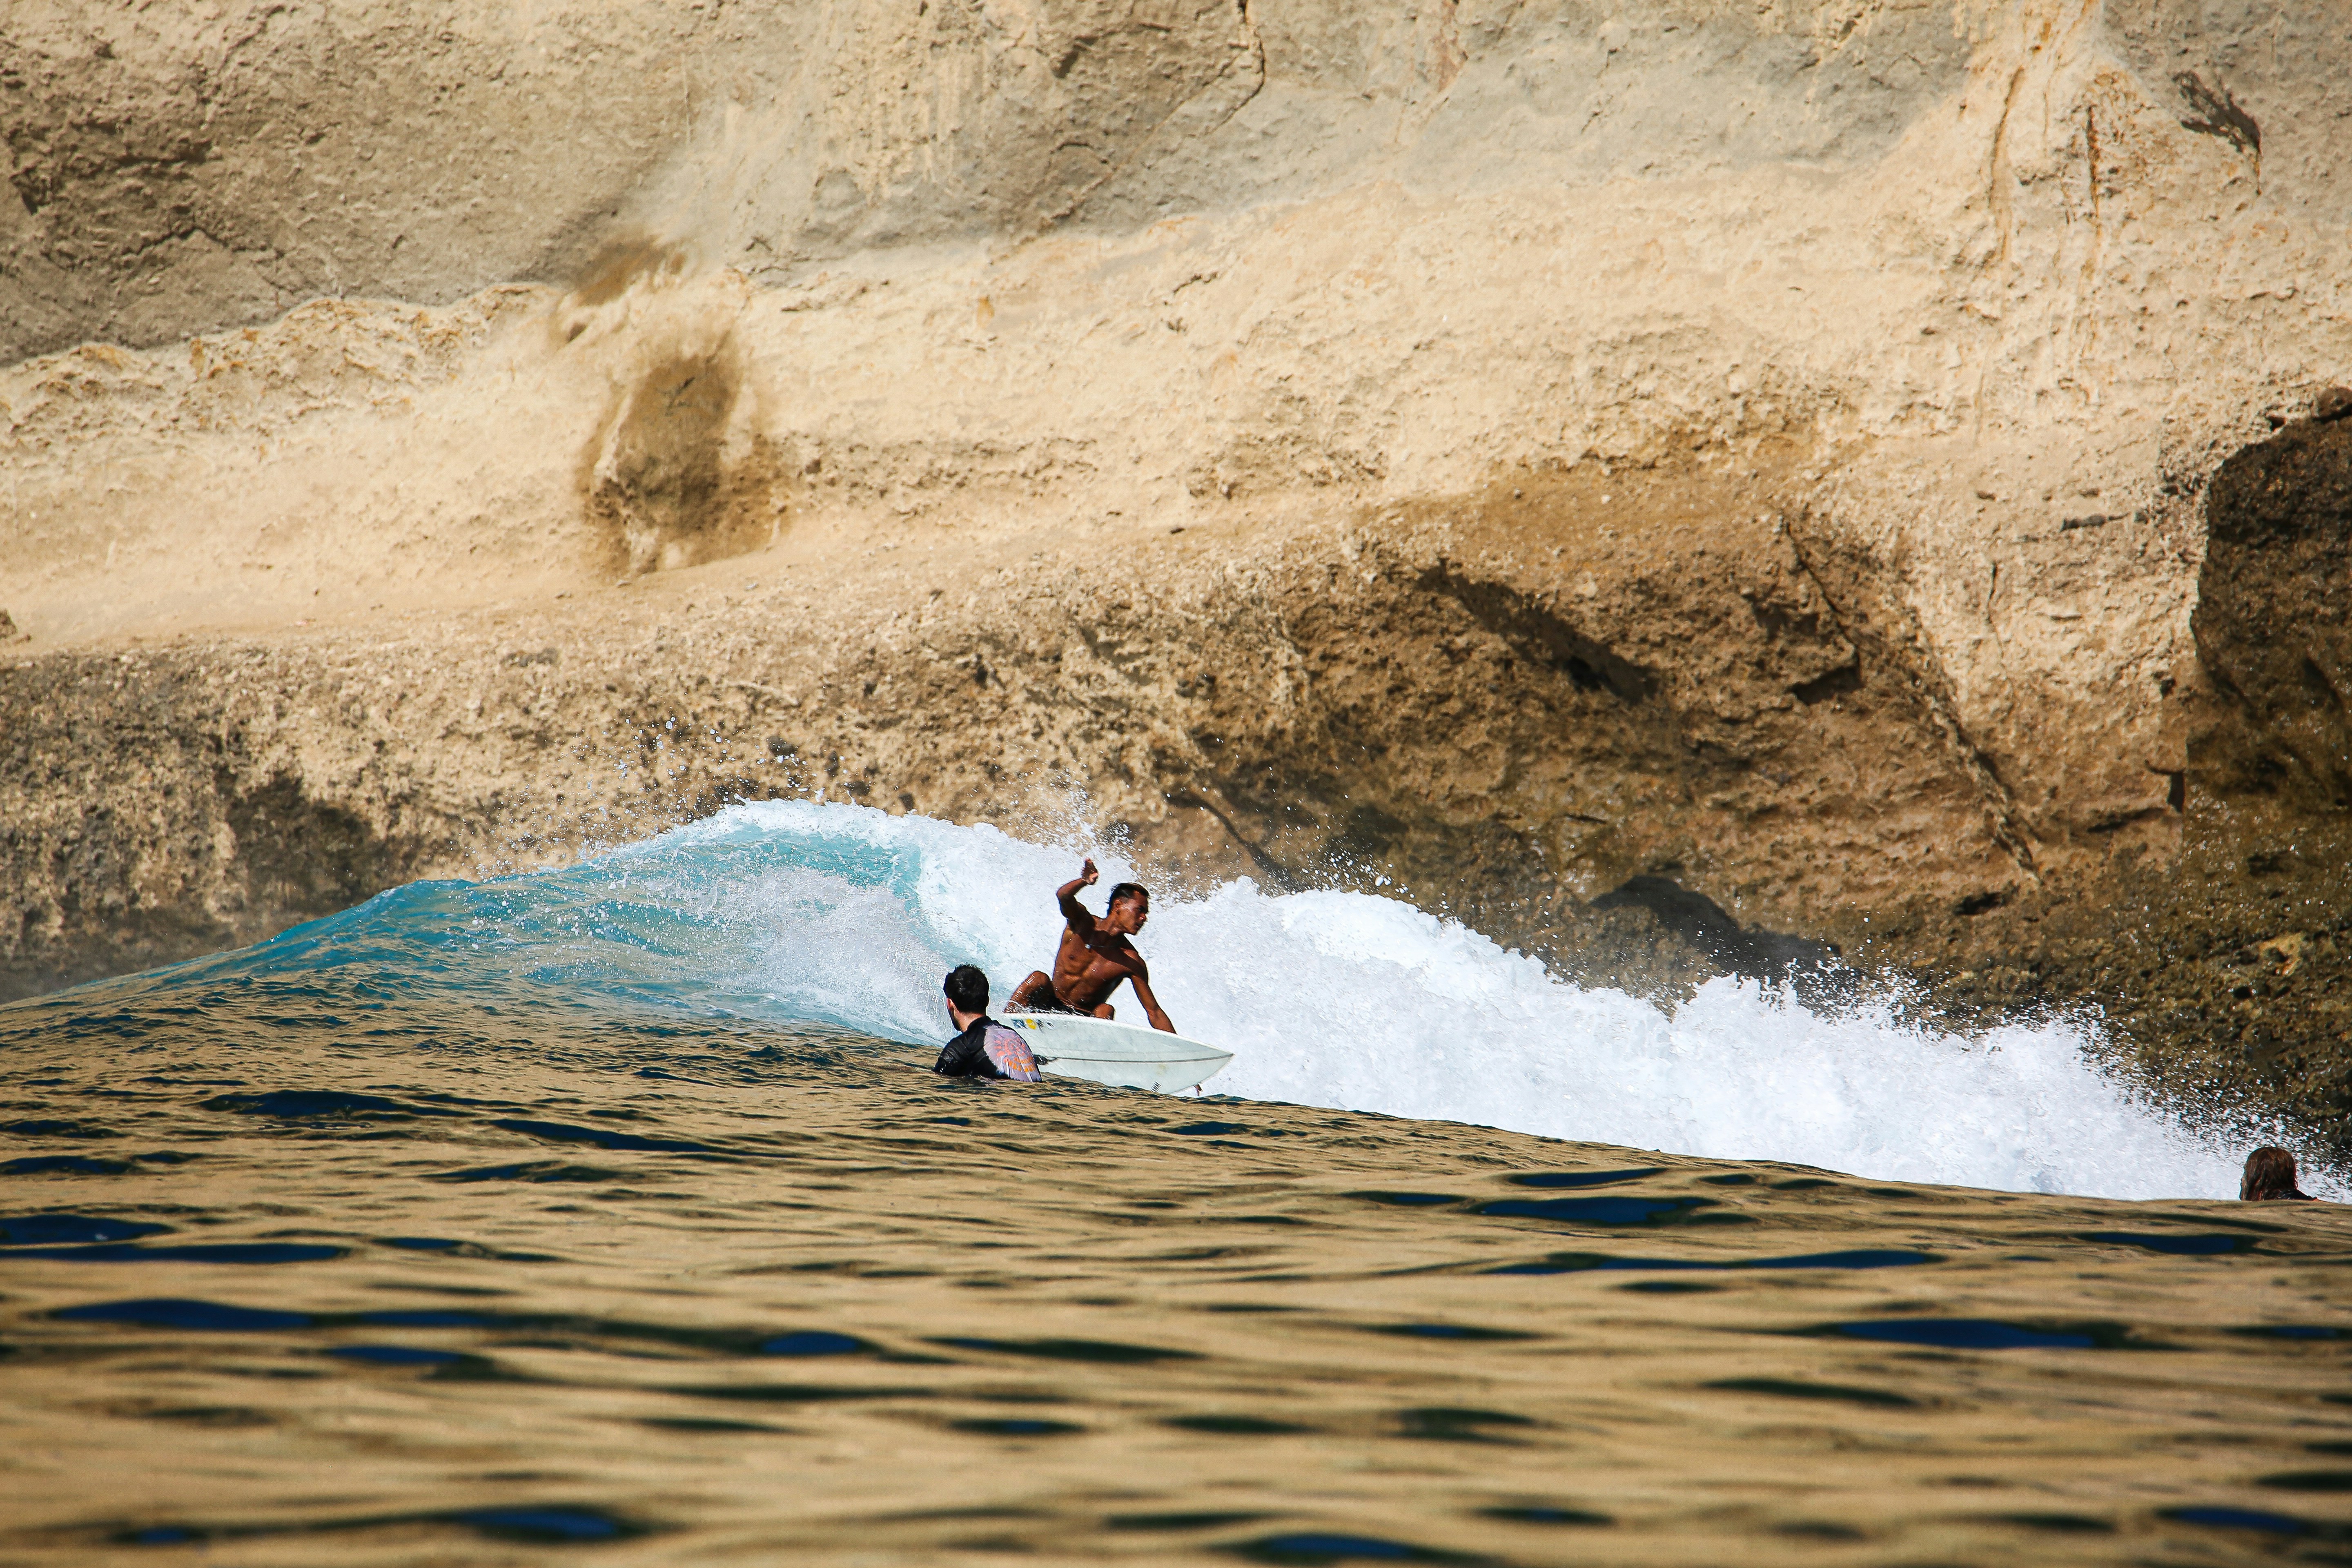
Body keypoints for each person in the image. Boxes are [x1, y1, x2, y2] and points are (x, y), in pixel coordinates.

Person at [1007, 858, 1176, 1033]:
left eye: (1146, 913)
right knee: (1038, 979)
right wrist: (1084, 881)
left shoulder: (1131, 961)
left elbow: (1154, 1012)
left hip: (1084, 1022)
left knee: (1105, 1010)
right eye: (1140, 910)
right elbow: (1063, 896)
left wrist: (1181, 1051)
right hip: (1047, 1005)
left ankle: (1089, 1054)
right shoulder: (1082, 923)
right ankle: (1004, 1030)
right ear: (1118, 905)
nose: (1144, 918)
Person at [932, 964, 1041, 1082]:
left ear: (950, 1004)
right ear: (987, 1001)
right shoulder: (1014, 1036)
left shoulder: (963, 1046)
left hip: (1006, 1096)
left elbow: (934, 1083)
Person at [2241, 1146, 2314, 1201]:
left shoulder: (2288, 1202)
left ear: (2259, 1178)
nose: (2242, 1179)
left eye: (2246, 1173)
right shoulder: (2301, 1200)